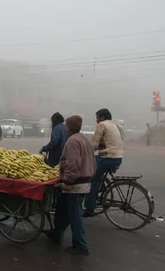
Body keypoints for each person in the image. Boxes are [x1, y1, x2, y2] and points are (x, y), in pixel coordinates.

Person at [46, 115, 95, 255]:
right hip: (84, 181)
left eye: (66, 125)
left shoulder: (73, 141)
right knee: (62, 210)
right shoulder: (84, 139)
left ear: (69, 127)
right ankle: (57, 234)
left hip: (75, 184)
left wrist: (67, 181)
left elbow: (73, 164)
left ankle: (81, 245)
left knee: (75, 215)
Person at [84, 108, 124, 217]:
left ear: (102, 117)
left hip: (107, 158)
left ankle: (89, 209)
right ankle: (100, 185)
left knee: (91, 178)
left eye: (97, 118)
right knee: (96, 167)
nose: (96, 120)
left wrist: (87, 152)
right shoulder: (114, 125)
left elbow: (94, 144)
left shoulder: (102, 125)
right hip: (117, 157)